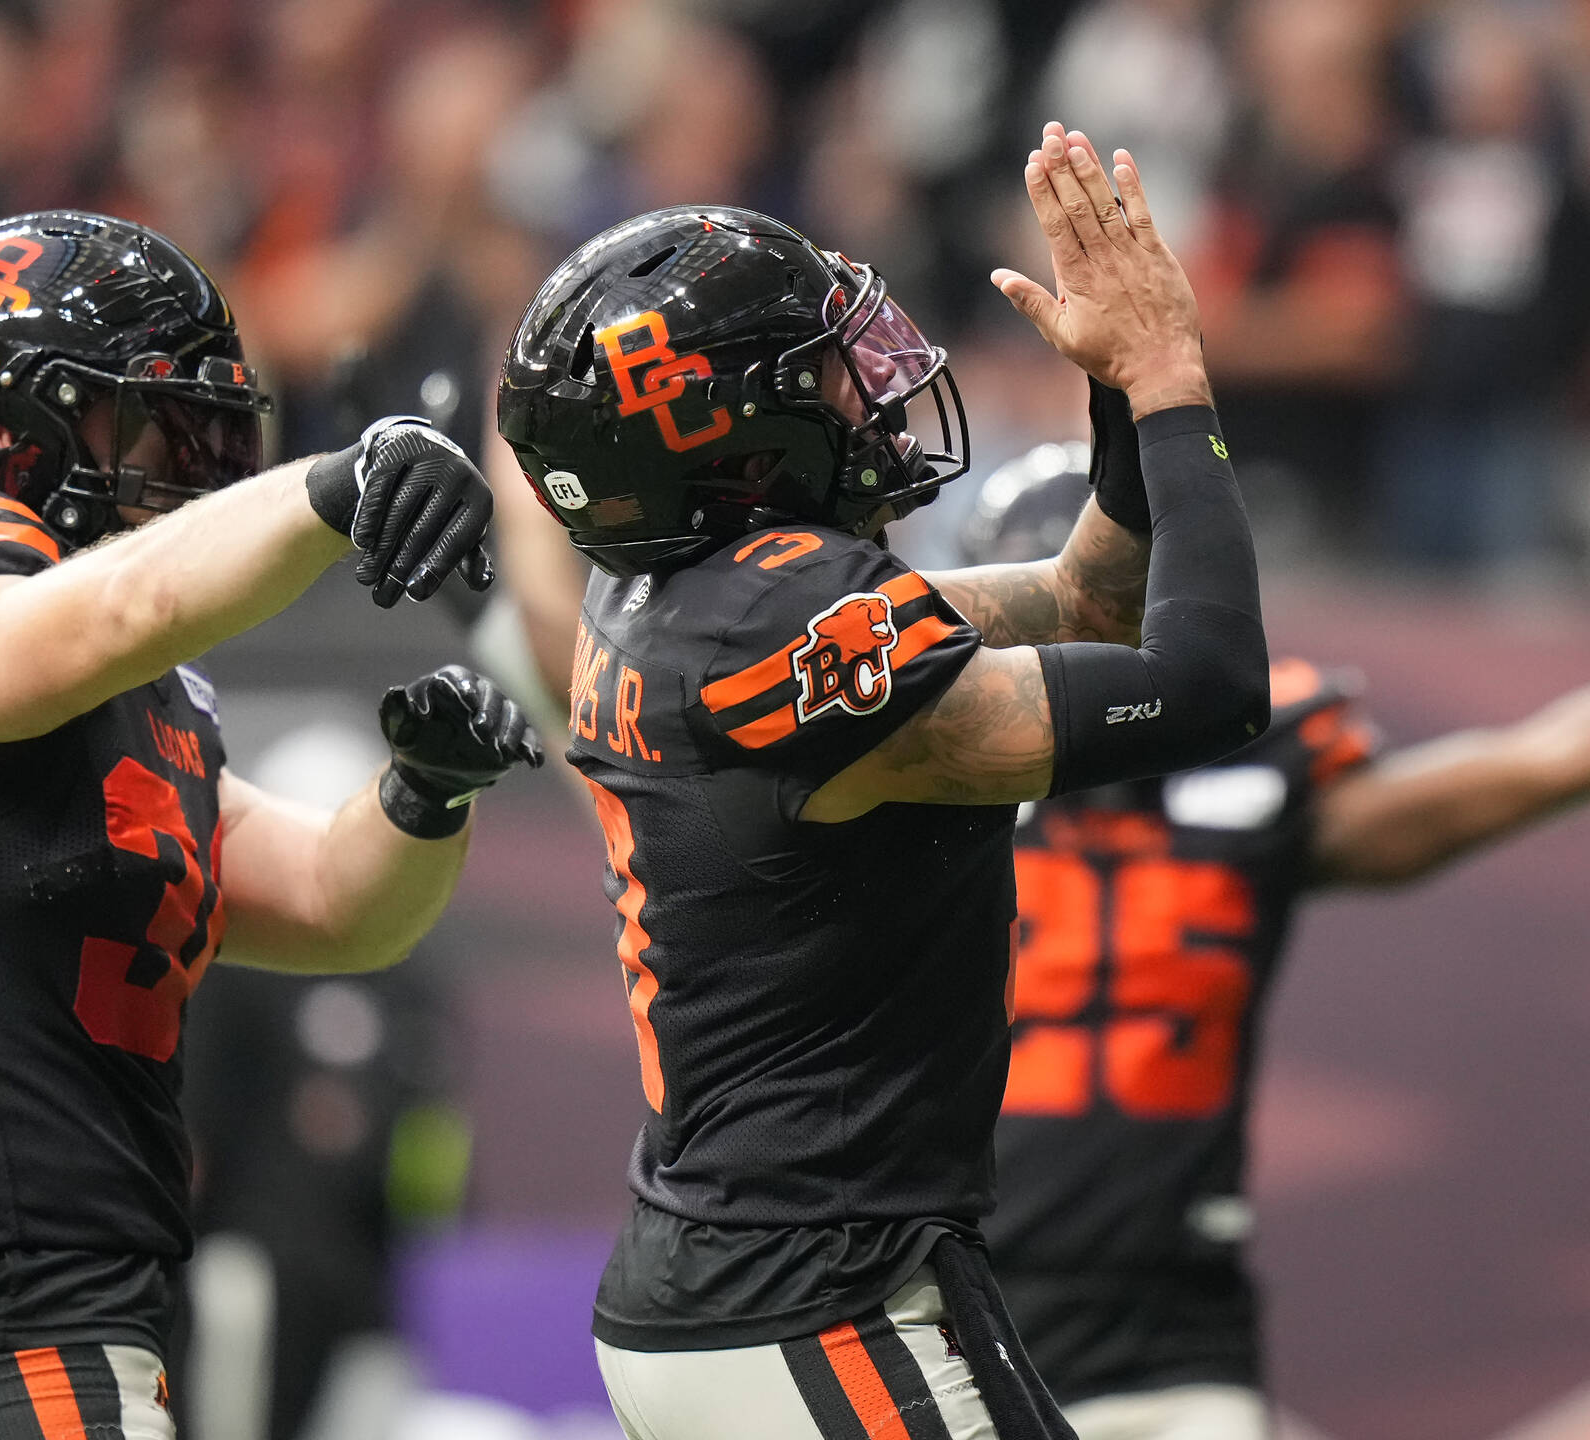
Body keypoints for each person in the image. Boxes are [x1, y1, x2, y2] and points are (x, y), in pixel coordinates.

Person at [496, 124, 1267, 1440]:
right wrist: (1175, 382)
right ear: (737, 444)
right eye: (825, 373)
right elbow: (1207, 685)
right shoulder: (774, 629)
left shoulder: (686, 596)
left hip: (780, 1275)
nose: (870, 389)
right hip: (806, 1293)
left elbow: (1086, 601)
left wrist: (1120, 403)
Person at [0, 210, 541, 1438]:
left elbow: (331, 907)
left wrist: (421, 794)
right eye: (148, 422)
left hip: (67, 1324)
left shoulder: (129, 695)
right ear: (9, 426)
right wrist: (328, 490)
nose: (186, 462)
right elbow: (100, 614)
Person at [963, 445, 1590, 1440]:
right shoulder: (910, 790)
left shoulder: (1247, 786)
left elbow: (1522, 770)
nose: (1098, 630)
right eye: (1075, 599)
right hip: (938, 1313)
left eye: (1123, 598)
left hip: (1163, 1329)